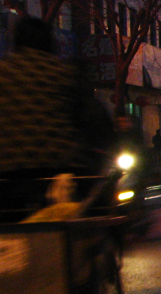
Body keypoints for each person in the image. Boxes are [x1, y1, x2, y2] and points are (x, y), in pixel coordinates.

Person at [0, 17, 113, 218]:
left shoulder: (4, 71)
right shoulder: (64, 72)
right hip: (61, 170)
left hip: (7, 173)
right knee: (95, 207)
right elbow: (90, 120)